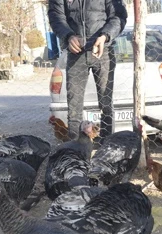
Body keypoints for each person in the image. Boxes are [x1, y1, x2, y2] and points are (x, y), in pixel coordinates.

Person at [48, 0, 128, 141]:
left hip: (103, 51)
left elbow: (118, 15)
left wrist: (105, 36)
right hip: (75, 52)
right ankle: (75, 152)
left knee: (106, 105)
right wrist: (68, 36)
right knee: (74, 109)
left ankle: (106, 146)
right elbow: (56, 15)